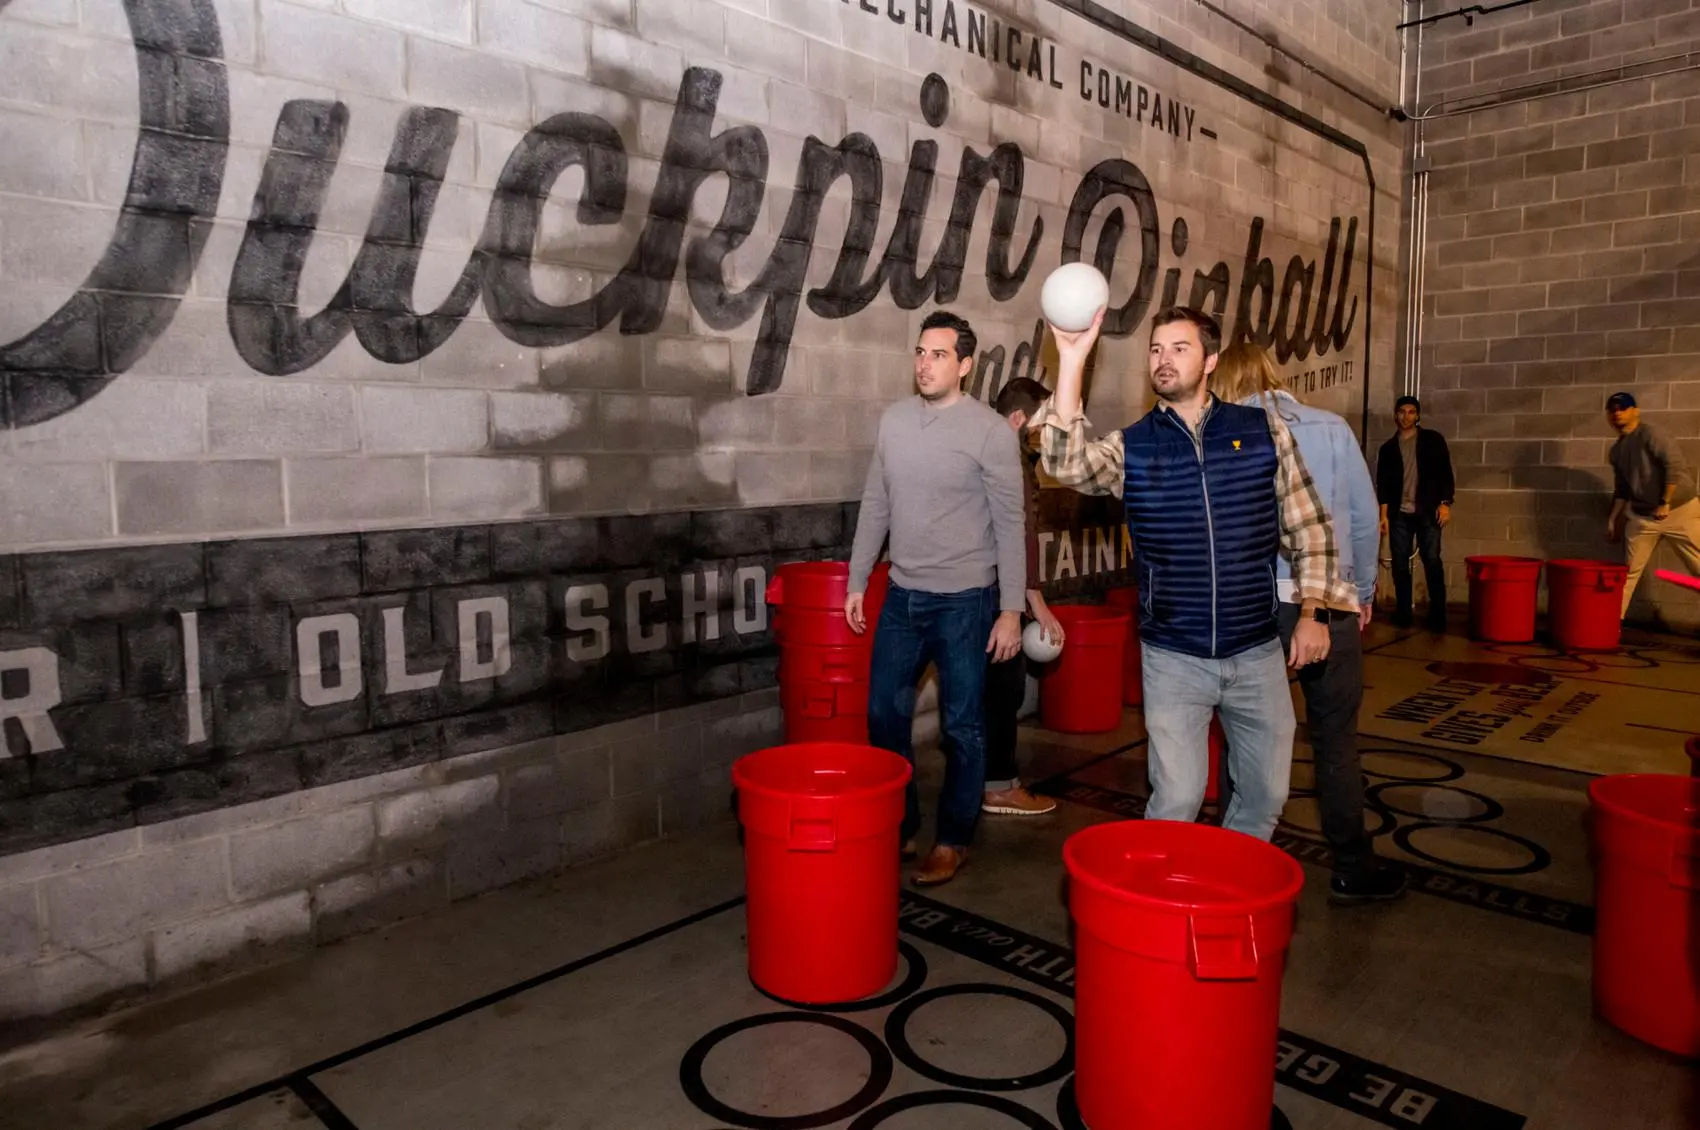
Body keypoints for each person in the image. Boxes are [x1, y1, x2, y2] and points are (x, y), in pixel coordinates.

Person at [1033, 304, 1347, 843]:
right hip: (1173, 655)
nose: (1163, 359)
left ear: (1210, 361)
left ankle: (1229, 891)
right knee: (1177, 798)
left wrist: (1314, 612)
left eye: (1179, 348)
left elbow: (1310, 526)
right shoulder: (1135, 445)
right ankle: (1165, 909)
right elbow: (1066, 465)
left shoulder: (1262, 431)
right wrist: (1071, 360)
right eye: (1156, 349)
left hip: (1256, 651)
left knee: (1265, 796)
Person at [1211, 342, 1406, 903]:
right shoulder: (1330, 427)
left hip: (1252, 603)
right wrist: (1363, 592)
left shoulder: (1225, 433)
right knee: (1336, 738)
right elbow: (1365, 519)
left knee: (1244, 737)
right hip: (1326, 598)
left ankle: (1236, 863)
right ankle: (1351, 865)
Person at [846, 310, 1027, 886]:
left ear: (966, 365)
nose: (925, 364)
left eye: (940, 355)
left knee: (962, 726)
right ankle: (902, 822)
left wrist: (1012, 609)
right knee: (882, 715)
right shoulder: (895, 421)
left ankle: (952, 839)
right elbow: (876, 502)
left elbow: (1010, 524)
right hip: (902, 595)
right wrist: (857, 579)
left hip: (965, 601)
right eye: (921, 353)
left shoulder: (990, 432)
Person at [981, 377, 1066, 818]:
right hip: (996, 595)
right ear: (1018, 420)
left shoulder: (993, 451)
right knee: (1003, 688)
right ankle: (998, 786)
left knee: (981, 693)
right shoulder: (1008, 463)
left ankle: (982, 778)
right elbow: (1018, 536)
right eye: (1043, 425)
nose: (1049, 435)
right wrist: (1033, 601)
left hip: (982, 590)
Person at [1605, 391, 1700, 616]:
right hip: (1643, 516)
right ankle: (1610, 625)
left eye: (1623, 408)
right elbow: (1622, 489)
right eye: (1612, 410)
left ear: (1635, 411)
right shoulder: (1617, 451)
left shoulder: (1650, 434)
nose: (1617, 413)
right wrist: (1612, 519)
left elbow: (1673, 466)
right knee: (1627, 574)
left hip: (1679, 511)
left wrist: (1665, 502)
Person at [1375, 396, 1455, 631]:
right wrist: (1383, 516)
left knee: (1432, 560)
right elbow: (1384, 485)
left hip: (1428, 510)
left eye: (1411, 412)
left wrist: (1445, 503)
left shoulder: (1432, 441)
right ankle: (1403, 613)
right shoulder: (1388, 449)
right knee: (1400, 563)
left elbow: (1445, 473)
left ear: (1418, 415)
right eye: (1401, 412)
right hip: (1400, 514)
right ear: (1395, 415)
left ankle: (1438, 616)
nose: (1406, 416)